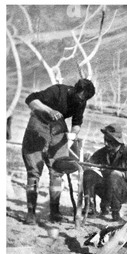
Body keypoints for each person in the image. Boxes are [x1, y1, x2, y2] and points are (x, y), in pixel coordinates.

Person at [22, 79, 96, 225]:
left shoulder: (82, 100)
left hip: (58, 128)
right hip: (38, 124)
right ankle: (31, 213)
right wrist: (49, 110)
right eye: (80, 96)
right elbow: (30, 99)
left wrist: (73, 134)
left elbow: (77, 122)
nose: (81, 100)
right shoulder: (58, 90)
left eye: (84, 99)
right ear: (74, 90)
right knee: (34, 170)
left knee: (58, 170)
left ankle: (54, 212)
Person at [83, 123, 127, 222]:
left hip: (124, 191)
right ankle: (90, 207)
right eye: (105, 140)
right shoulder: (103, 152)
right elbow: (90, 163)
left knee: (113, 176)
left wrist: (119, 173)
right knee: (88, 174)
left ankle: (115, 211)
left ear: (117, 142)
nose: (106, 144)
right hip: (106, 189)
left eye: (109, 141)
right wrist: (86, 162)